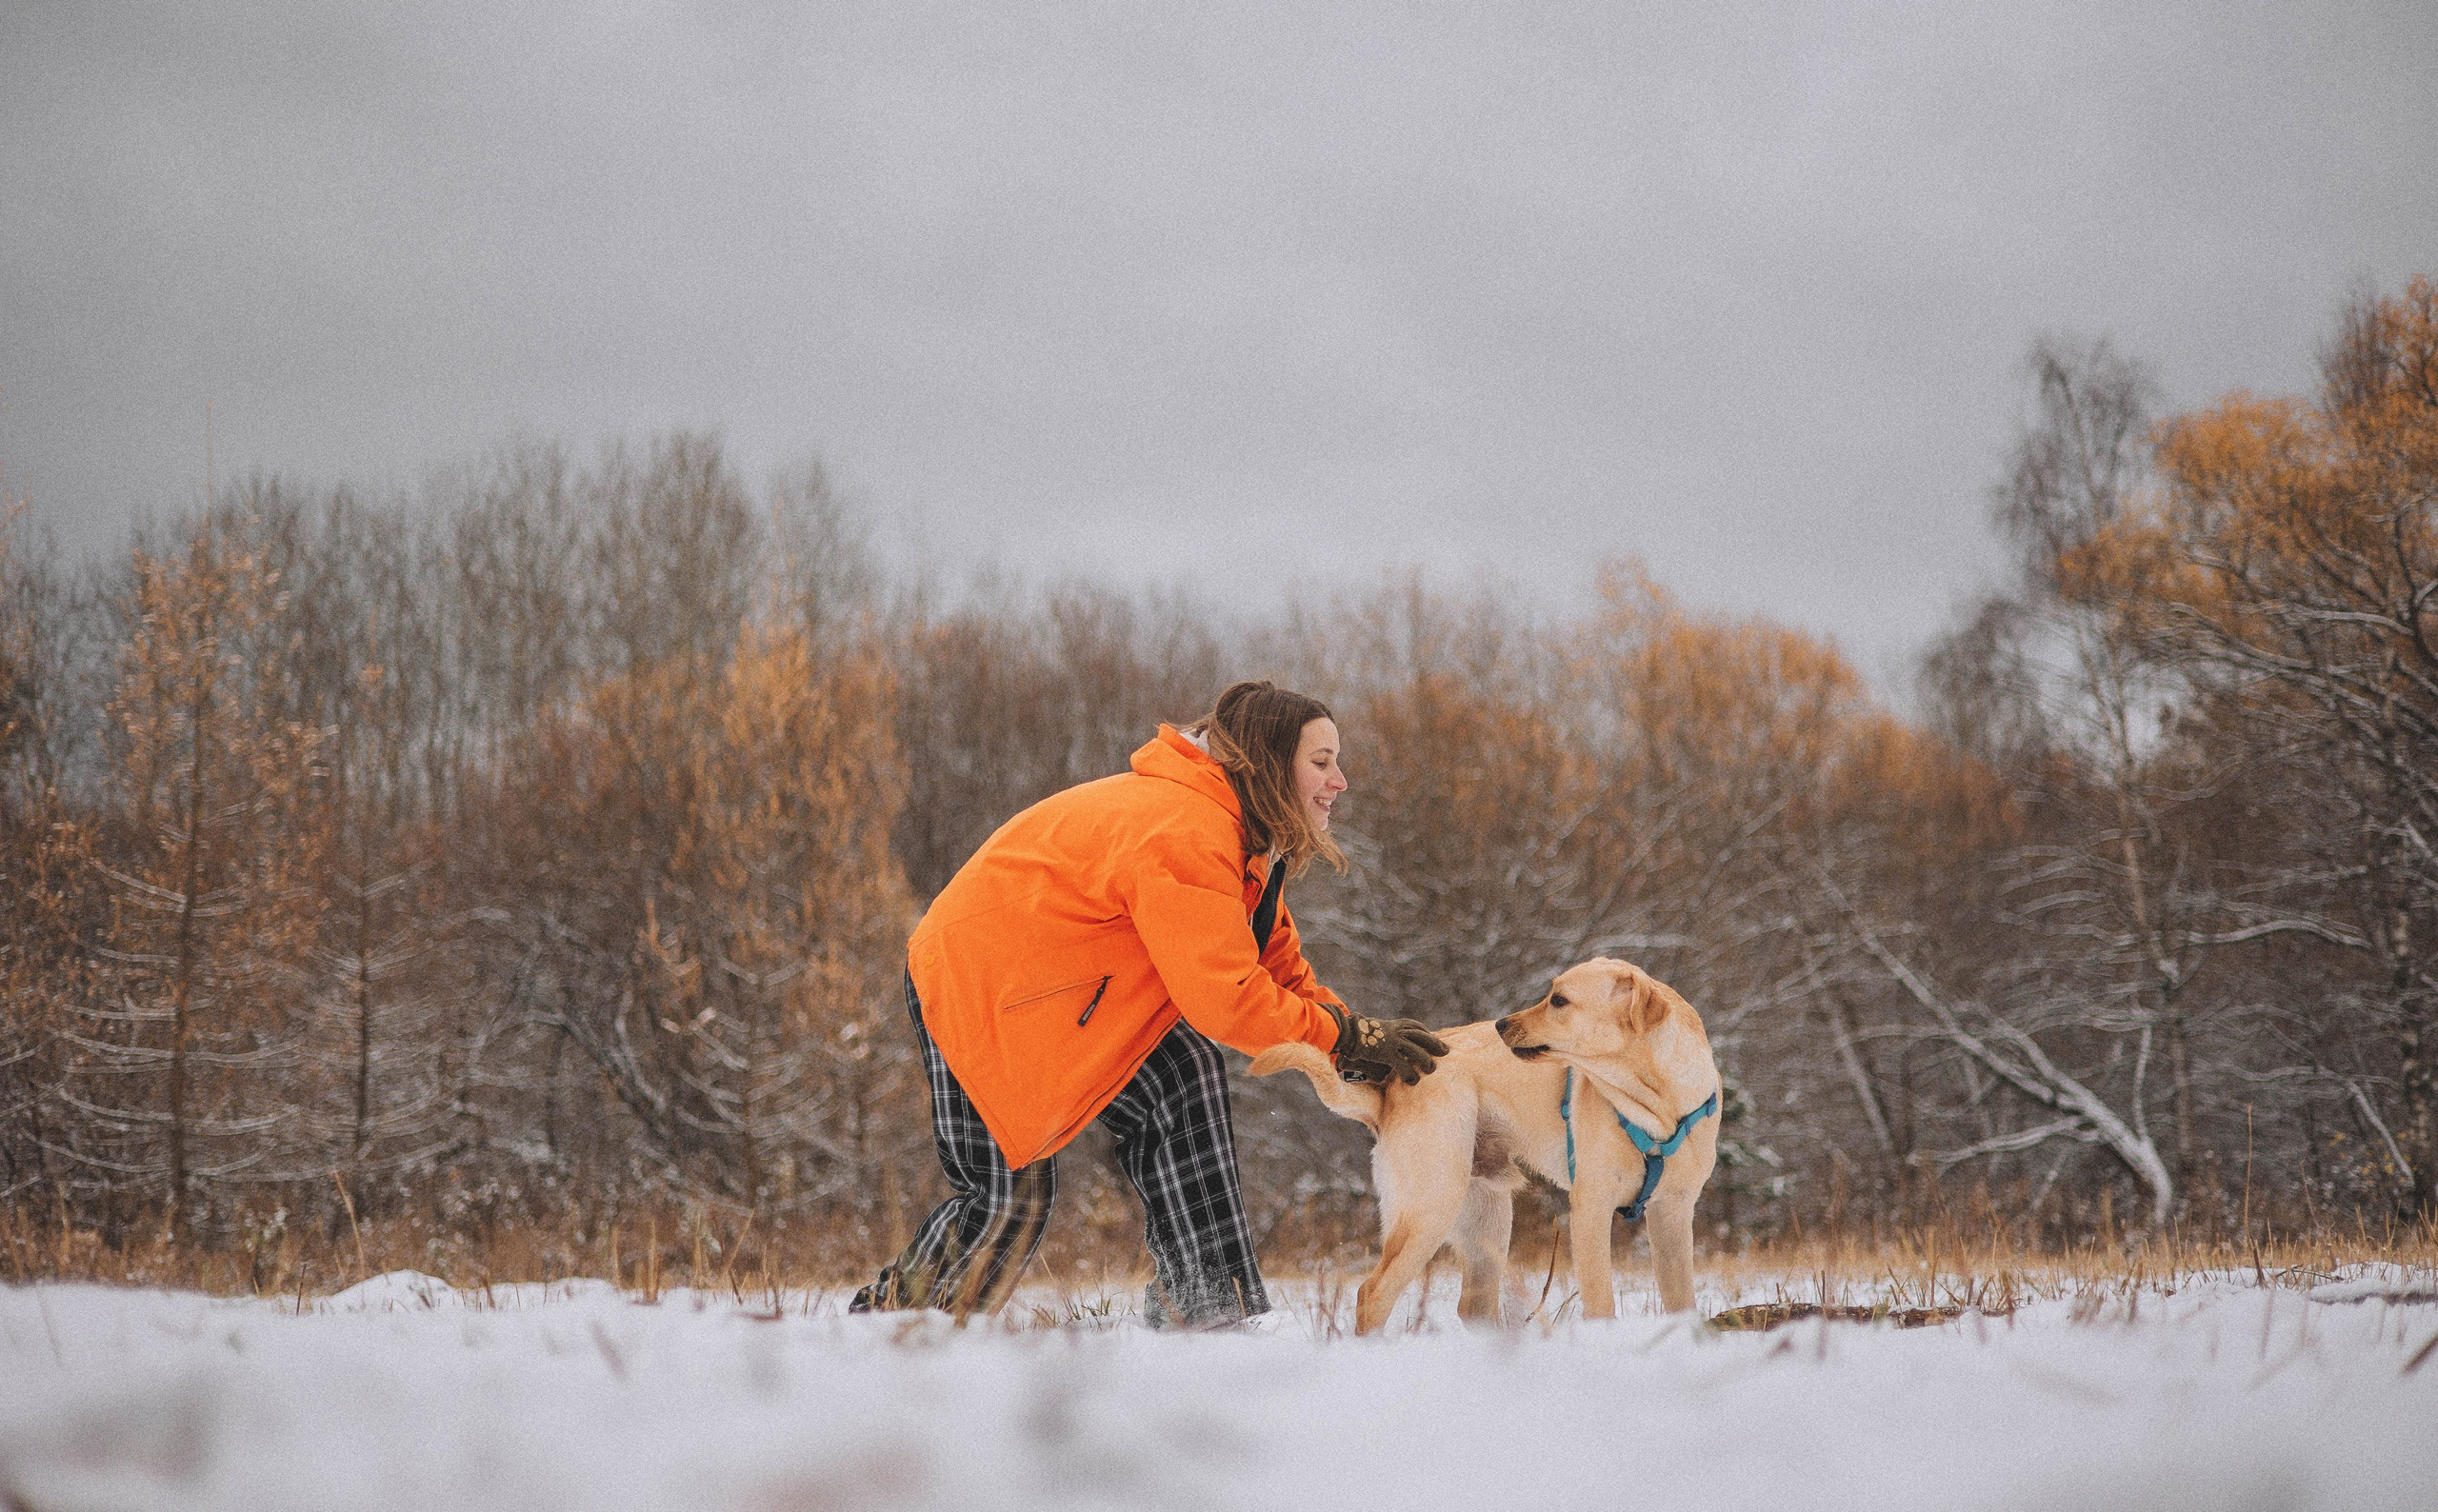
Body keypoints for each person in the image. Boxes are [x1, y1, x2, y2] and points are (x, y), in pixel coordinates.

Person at [850, 680, 1449, 1326]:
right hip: (974, 979)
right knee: (1007, 1200)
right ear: (1272, 763)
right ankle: (892, 1328)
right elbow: (1231, 1004)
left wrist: (1359, 1042)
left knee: (1182, 1076)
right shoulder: (1186, 832)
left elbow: (1278, 975)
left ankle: (1207, 1306)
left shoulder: (1239, 843)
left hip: (1054, 987)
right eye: (1322, 762)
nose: (1340, 782)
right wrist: (1343, 1039)